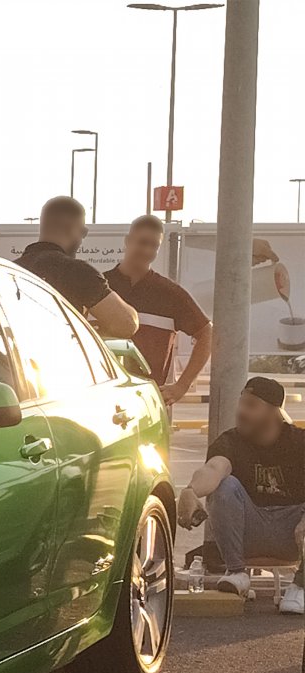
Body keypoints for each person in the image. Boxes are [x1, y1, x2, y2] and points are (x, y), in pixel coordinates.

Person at [178, 376, 305, 613]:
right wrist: (190, 490)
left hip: (294, 534)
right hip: (250, 531)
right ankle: (237, 573)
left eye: (251, 405)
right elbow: (215, 469)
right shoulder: (230, 441)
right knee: (224, 486)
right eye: (242, 403)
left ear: (274, 413)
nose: (242, 411)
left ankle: (301, 586)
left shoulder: (299, 442)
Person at [104, 215, 213, 405]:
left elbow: (207, 333)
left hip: (149, 403)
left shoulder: (170, 293)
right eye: (142, 242)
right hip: (102, 398)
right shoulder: (100, 286)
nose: (147, 250)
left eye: (154, 245)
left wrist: (182, 386)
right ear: (128, 241)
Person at [15, 195, 139, 338]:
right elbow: (127, 324)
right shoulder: (76, 272)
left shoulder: (11, 270)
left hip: (11, 359)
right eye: (83, 231)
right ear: (72, 228)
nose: (82, 238)